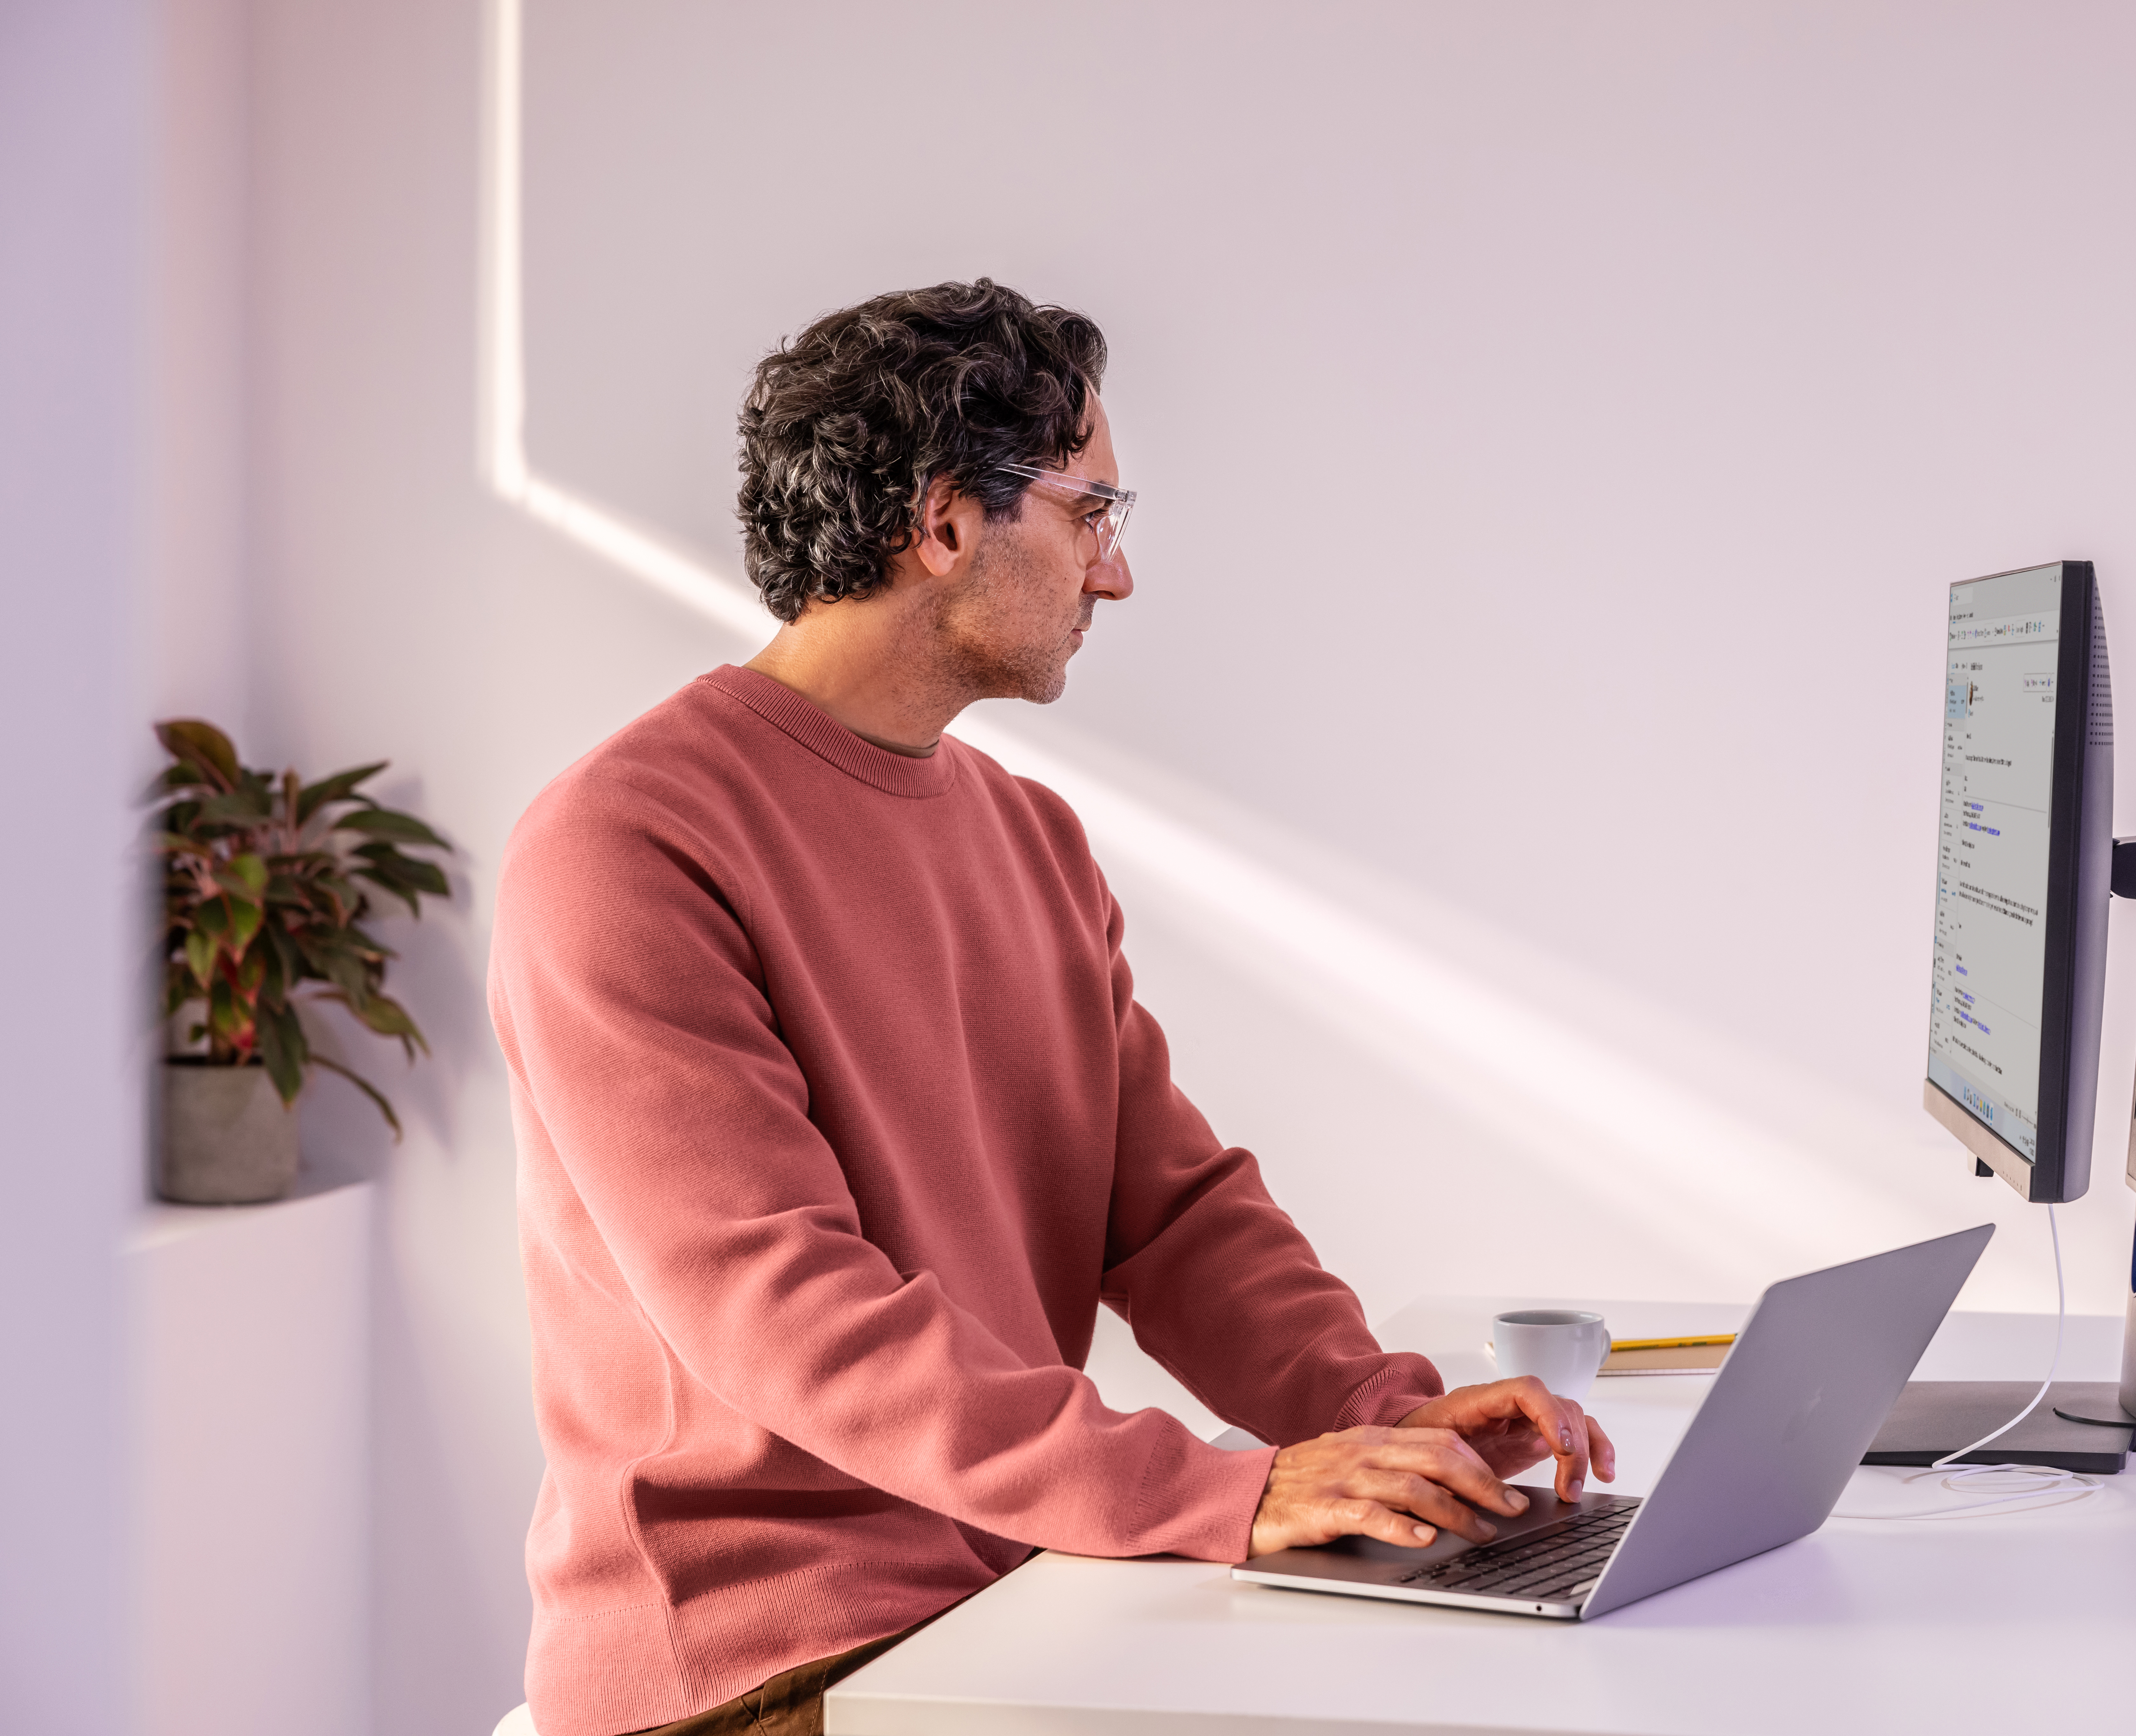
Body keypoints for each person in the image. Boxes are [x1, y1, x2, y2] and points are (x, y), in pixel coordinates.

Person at [489, 280, 1616, 1736]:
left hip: (1010, 1600)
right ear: (948, 522)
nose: (1115, 573)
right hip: (765, 1669)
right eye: (1092, 514)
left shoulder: (1028, 835)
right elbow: (790, 1320)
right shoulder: (626, 843)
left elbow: (1167, 1214)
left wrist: (1374, 1414)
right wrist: (1230, 1492)